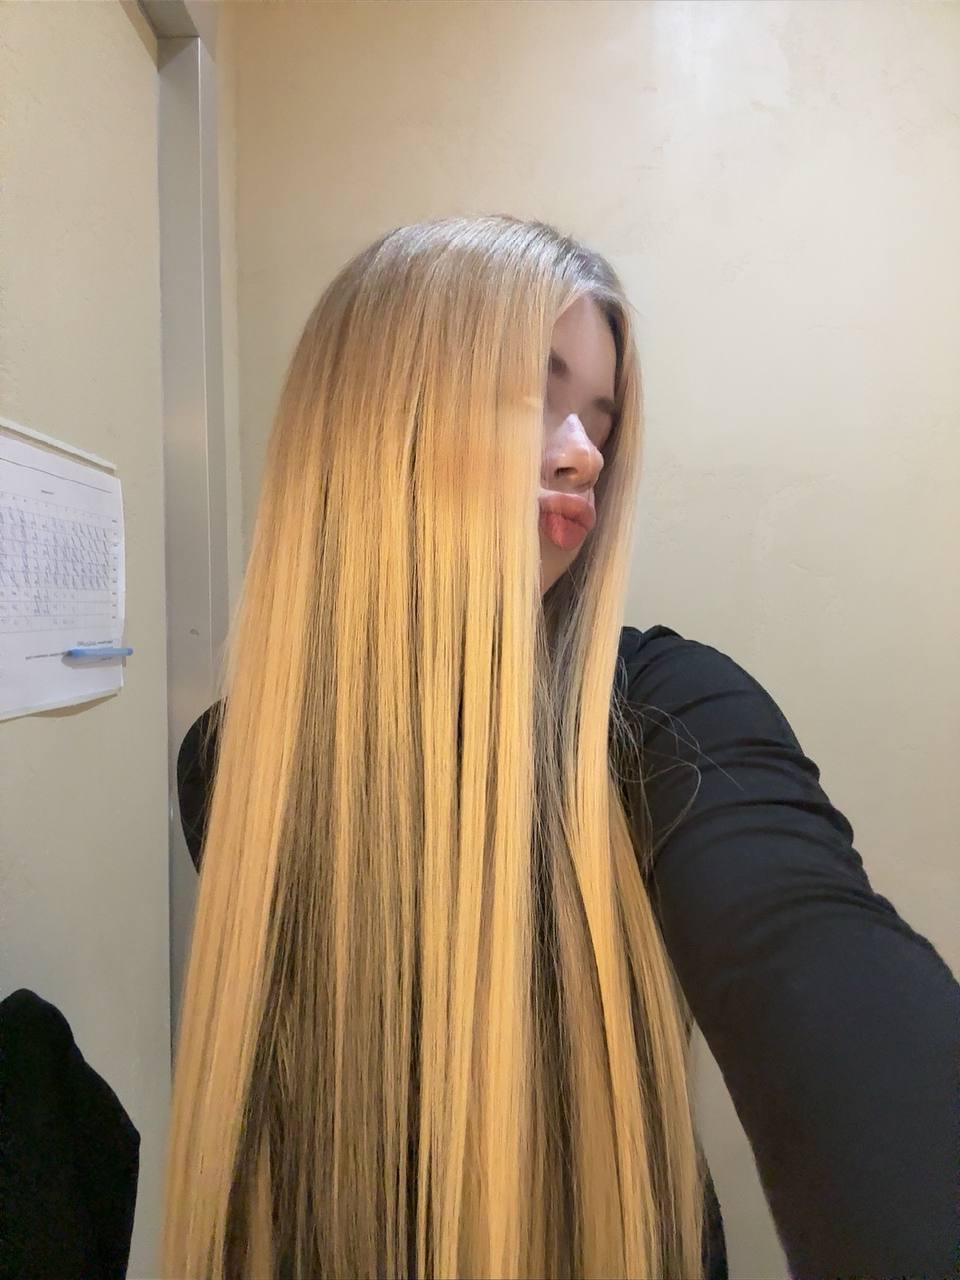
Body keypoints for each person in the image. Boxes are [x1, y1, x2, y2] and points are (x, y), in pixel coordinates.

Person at [163, 215, 959, 1280]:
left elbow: (811, 961)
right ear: (373, 423)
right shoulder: (230, 763)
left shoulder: (667, 716)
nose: (585, 453)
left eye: (600, 420)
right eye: (531, 396)